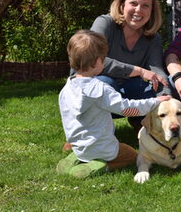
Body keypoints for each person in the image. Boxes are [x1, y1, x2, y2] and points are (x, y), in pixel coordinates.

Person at [57, 30, 170, 178]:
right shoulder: (99, 88)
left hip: (79, 145)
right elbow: (127, 109)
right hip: (103, 149)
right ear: (97, 61)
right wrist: (154, 102)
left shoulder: (67, 88)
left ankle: (75, 158)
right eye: (103, 59)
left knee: (85, 151)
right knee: (132, 155)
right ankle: (100, 166)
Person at [90, 0, 171, 134]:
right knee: (104, 83)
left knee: (146, 87)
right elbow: (93, 60)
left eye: (145, 6)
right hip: (92, 89)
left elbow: (157, 71)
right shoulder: (104, 23)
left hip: (125, 91)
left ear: (152, 11)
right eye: (133, 3)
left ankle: (140, 124)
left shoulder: (153, 38)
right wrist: (139, 71)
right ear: (122, 5)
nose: (138, 10)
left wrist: (167, 98)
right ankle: (87, 131)